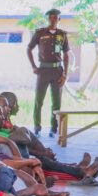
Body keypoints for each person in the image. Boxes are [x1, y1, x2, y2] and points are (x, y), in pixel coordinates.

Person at [28, 9, 70, 138]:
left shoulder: (62, 35)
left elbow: (66, 54)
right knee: (38, 101)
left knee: (56, 103)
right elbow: (29, 49)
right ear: (48, 19)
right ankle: (37, 128)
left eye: (55, 17)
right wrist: (34, 66)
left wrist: (65, 74)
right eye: (50, 17)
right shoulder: (40, 33)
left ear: (59, 20)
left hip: (57, 71)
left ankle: (54, 128)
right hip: (43, 71)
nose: (53, 20)